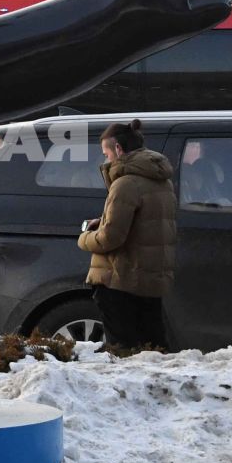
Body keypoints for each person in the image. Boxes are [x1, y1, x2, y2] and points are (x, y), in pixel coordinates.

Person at [76, 118, 176, 350]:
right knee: (152, 347)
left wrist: (84, 238)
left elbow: (110, 238)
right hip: (149, 278)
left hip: (120, 280)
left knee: (122, 349)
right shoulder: (161, 180)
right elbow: (147, 222)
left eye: (106, 153)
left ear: (118, 149)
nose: (105, 159)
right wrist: (103, 220)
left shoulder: (125, 184)